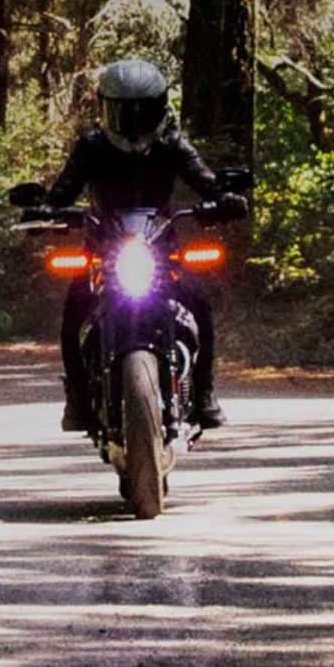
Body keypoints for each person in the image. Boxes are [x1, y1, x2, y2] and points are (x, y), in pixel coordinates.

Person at [43, 59, 246, 433]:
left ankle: (204, 393)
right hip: (103, 249)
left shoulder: (172, 145)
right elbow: (63, 191)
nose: (133, 121)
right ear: (105, 108)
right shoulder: (92, 148)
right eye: (123, 111)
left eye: (142, 111)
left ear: (160, 108)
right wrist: (46, 207)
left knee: (200, 306)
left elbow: (204, 179)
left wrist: (225, 197)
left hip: (160, 248)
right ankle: (77, 398)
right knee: (73, 314)